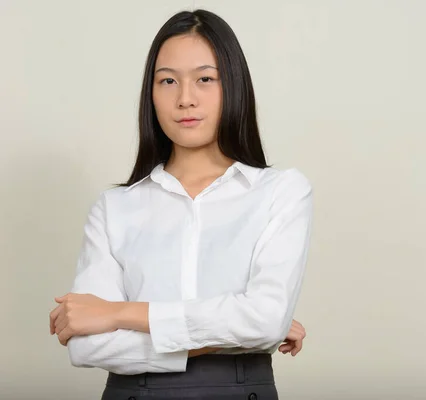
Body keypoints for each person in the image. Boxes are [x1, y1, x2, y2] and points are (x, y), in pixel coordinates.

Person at [48, 8, 313, 400]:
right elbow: (87, 346)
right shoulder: (114, 208)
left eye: (205, 79)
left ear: (233, 86)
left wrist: (120, 314)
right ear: (151, 93)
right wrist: (232, 334)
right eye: (168, 81)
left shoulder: (280, 191)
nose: (185, 99)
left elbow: (263, 320)